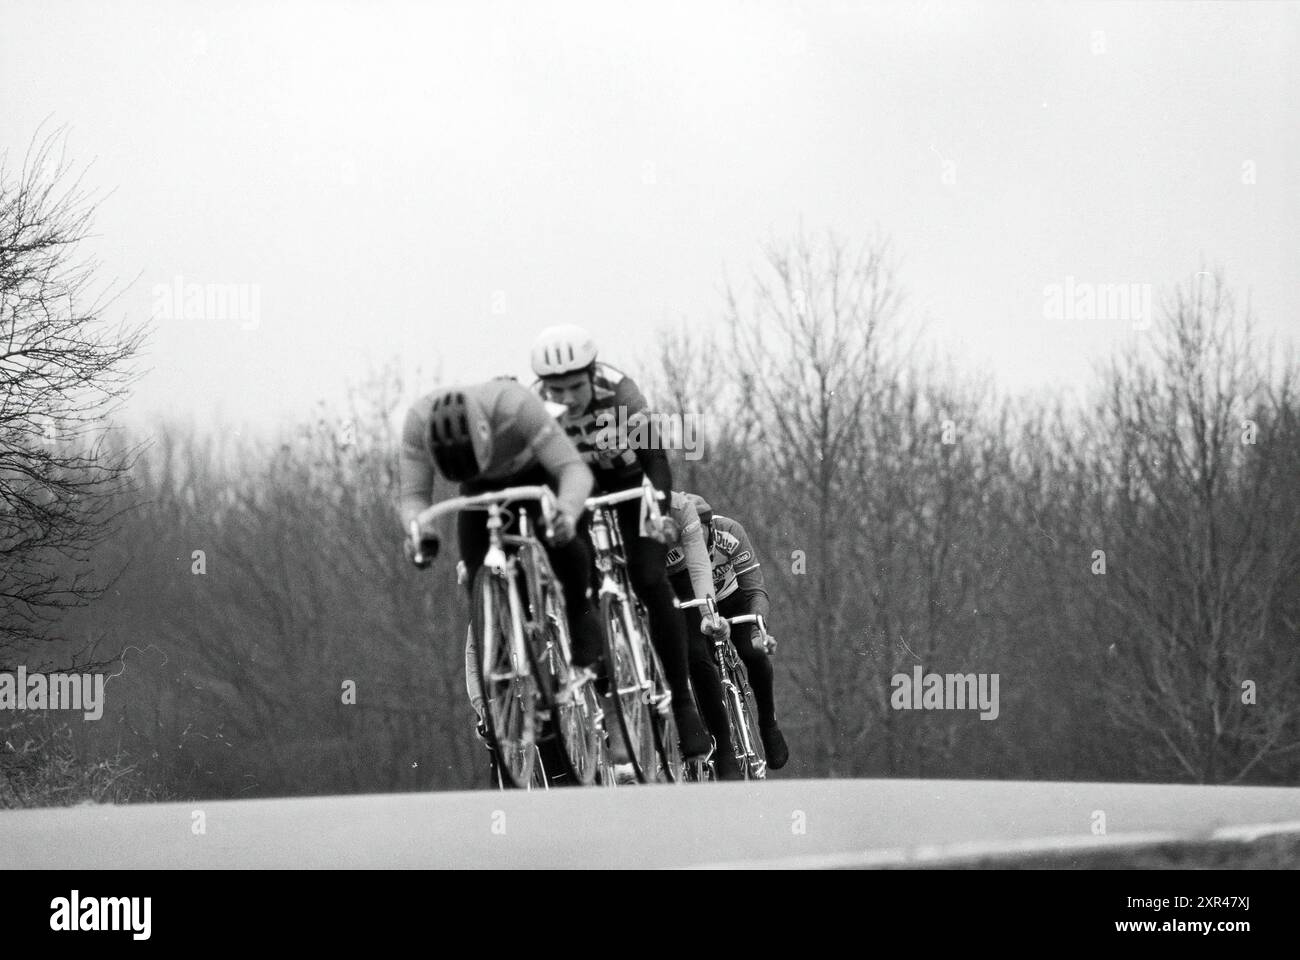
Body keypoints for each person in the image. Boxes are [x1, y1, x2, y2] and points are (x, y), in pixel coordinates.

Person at [398, 378, 629, 774]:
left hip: (537, 474)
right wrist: (421, 531)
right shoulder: (417, 421)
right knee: (475, 573)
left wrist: (566, 513)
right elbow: (412, 496)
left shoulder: (515, 405)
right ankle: (503, 671)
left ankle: (578, 615)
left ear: (486, 432)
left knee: (565, 546)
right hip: (478, 490)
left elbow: (574, 470)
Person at [530, 324, 712, 760]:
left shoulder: (620, 391)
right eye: (557, 390)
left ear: (592, 375)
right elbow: (538, 477)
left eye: (575, 387)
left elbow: (656, 459)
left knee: (650, 578)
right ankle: (612, 700)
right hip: (580, 492)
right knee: (581, 579)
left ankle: (684, 705)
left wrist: (660, 508)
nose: (567, 399)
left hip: (633, 486)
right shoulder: (537, 407)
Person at [668, 494, 788, 771]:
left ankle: (768, 724)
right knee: (700, 664)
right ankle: (718, 739)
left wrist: (759, 628)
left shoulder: (730, 533)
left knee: (752, 652)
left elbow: (756, 589)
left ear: (710, 528)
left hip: (732, 600)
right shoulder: (673, 546)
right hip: (697, 605)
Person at [661, 491, 745, 780]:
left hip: (683, 577)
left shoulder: (680, 510)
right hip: (646, 577)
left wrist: (709, 615)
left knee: (697, 654)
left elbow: (699, 567)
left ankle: (724, 749)